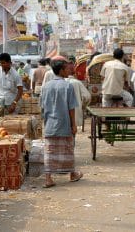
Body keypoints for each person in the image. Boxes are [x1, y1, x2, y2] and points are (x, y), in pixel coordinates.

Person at [41, 59, 83, 188]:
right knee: (68, 150)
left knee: (50, 150)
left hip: (50, 124)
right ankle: (72, 174)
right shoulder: (67, 86)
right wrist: (73, 124)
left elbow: (42, 107)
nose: (69, 70)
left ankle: (48, 178)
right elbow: (71, 108)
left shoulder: (46, 86)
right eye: (66, 68)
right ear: (61, 70)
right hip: (64, 123)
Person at [0, 53, 23, 117]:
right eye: (1, 63)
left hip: (10, 103)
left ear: (10, 63)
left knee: (9, 123)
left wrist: (14, 103)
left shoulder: (16, 75)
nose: (2, 65)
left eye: (4, 63)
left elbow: (20, 90)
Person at [65, 63, 91, 129]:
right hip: (75, 112)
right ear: (74, 72)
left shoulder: (60, 82)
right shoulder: (77, 82)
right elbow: (87, 97)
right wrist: (83, 106)